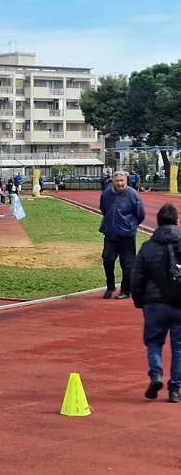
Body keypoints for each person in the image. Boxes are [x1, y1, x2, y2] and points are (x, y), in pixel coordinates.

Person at [131, 203, 181, 403]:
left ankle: (156, 374)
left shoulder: (147, 247)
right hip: (180, 303)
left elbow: (137, 277)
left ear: (158, 222)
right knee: (179, 348)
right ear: (176, 221)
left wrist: (138, 300)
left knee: (153, 342)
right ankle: (175, 390)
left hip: (154, 303)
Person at [99, 170, 146, 300]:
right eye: (117, 181)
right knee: (107, 259)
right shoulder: (106, 194)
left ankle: (126, 290)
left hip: (127, 235)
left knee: (127, 265)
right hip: (110, 233)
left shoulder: (133, 194)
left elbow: (140, 214)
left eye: (122, 181)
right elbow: (104, 209)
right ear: (112, 181)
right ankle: (110, 286)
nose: (120, 183)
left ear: (126, 181)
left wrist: (130, 226)